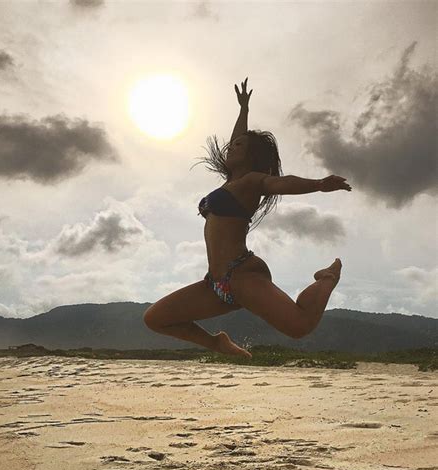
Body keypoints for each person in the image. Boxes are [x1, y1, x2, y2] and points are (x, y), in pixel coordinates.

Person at [143, 77, 352, 358]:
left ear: (252, 156)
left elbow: (282, 183)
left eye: (239, 147)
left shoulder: (253, 181)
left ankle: (326, 279)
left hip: (242, 274)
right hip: (215, 284)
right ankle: (217, 342)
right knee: (155, 318)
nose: (231, 148)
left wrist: (317, 184)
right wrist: (243, 109)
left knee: (299, 325)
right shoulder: (230, 180)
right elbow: (237, 138)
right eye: (233, 145)